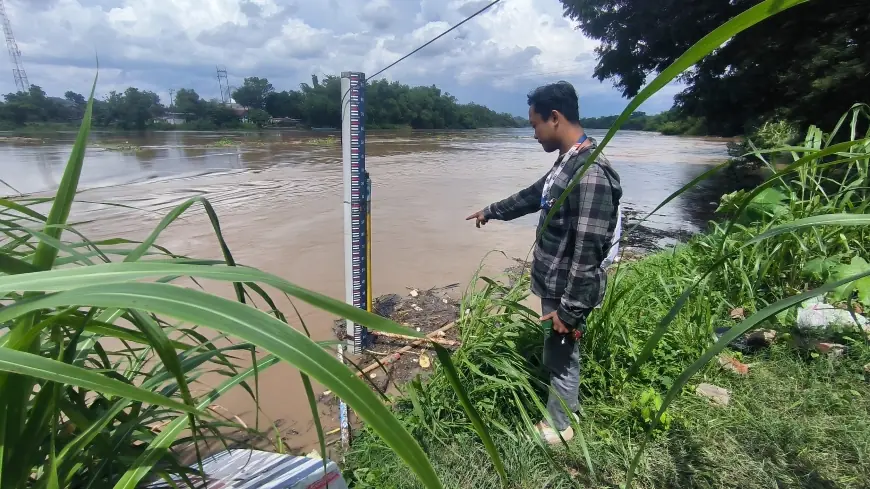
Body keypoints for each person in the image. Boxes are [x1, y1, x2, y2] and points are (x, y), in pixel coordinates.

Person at [466, 81, 622, 444]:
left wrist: (570, 310)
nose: (533, 134)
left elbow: (588, 250)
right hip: (556, 282)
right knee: (557, 351)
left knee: (563, 353)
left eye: (535, 124)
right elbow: (535, 195)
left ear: (555, 117)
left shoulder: (591, 173)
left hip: (569, 288)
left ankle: (560, 427)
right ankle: (564, 410)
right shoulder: (568, 163)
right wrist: (491, 211)